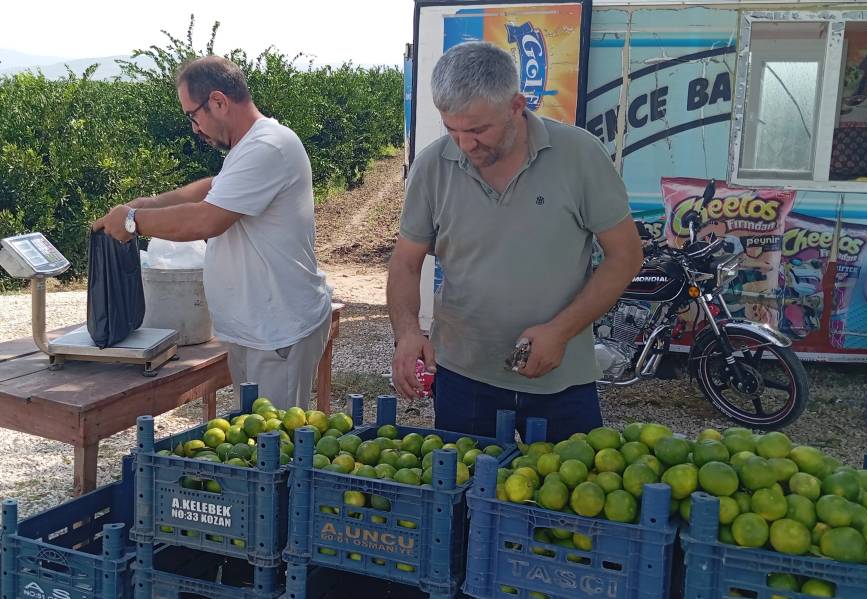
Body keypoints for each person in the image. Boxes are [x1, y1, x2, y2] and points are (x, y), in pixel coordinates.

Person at [387, 42, 643, 442]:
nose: (464, 145)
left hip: (562, 381)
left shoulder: (579, 156)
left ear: (516, 106)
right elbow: (405, 262)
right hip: (463, 377)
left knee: (565, 501)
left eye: (477, 130)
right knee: (467, 496)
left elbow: (625, 255)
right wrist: (406, 332)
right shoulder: (432, 166)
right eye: (452, 129)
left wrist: (560, 331)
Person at [94, 55, 333, 409]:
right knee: (255, 437)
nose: (194, 127)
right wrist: (149, 203)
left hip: (277, 329)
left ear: (219, 101)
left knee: (275, 447)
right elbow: (212, 188)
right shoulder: (251, 145)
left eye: (193, 115)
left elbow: (206, 220)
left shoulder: (267, 146)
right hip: (258, 327)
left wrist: (132, 221)